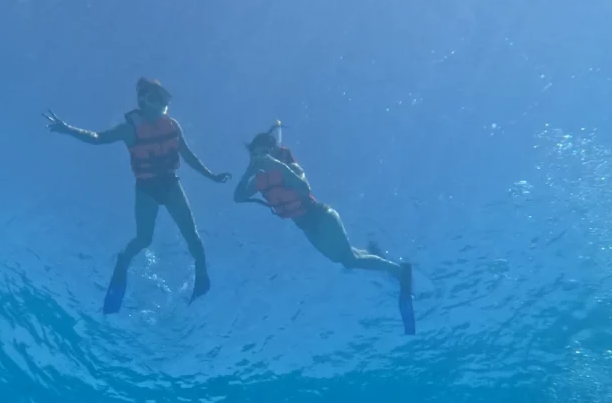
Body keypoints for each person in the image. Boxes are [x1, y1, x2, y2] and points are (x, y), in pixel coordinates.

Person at [43, 78, 231, 314]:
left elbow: (189, 157)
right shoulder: (129, 128)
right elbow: (97, 138)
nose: (160, 104)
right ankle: (123, 262)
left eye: (163, 99)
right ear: (142, 101)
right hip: (146, 189)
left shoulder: (172, 126)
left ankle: (202, 278)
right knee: (144, 239)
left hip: (171, 184)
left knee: (191, 234)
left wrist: (212, 176)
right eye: (154, 98)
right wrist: (67, 129)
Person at [233, 122, 416, 334]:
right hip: (307, 228)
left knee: (349, 260)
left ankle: (401, 271)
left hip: (322, 217)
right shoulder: (258, 180)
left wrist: (276, 164)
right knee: (344, 257)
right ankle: (374, 253)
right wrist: (248, 172)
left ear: (273, 152)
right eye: (256, 155)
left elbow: (303, 188)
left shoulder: (289, 168)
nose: (261, 158)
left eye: (265, 153)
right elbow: (238, 197)